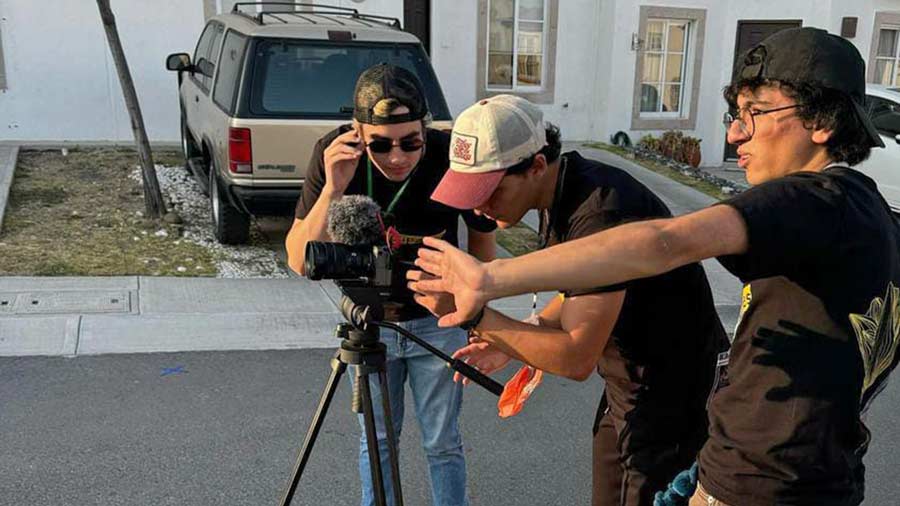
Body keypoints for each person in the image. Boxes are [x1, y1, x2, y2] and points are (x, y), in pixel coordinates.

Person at [408, 28, 900, 506]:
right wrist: (525, 330)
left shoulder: (809, 201)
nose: (733, 132)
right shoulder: (866, 214)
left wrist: (486, 285)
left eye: (756, 112)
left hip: (751, 478)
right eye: (736, 112)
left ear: (823, 121)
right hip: (811, 471)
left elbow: (663, 243)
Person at [409, 94, 729, 506]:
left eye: (489, 190)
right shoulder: (564, 188)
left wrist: (477, 317)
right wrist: (519, 340)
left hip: (673, 395)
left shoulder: (600, 210)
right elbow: (579, 292)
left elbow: (576, 356)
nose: (478, 207)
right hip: (629, 385)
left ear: (537, 165)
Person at [285, 63, 496, 506]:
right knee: (377, 443)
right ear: (358, 131)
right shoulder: (334, 153)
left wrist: (475, 315)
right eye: (380, 144)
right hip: (368, 325)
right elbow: (298, 258)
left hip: (439, 321)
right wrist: (333, 190)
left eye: (410, 142)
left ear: (425, 126)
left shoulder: (448, 154)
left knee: (443, 443)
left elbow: (483, 238)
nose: (397, 156)